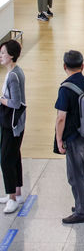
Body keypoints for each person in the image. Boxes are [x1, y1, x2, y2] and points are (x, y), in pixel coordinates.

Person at [54, 50, 84, 223]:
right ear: (83, 66)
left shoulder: (65, 89)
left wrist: (59, 139)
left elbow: (61, 118)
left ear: (64, 66)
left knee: (75, 174)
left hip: (74, 138)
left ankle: (81, 212)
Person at [0, 39, 26, 213]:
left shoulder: (13, 76)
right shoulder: (14, 71)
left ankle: (12, 197)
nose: (1, 56)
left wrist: (1, 100)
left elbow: (16, 103)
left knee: (5, 159)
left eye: (3, 53)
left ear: (11, 55)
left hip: (12, 124)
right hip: (16, 123)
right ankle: (16, 191)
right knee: (14, 156)